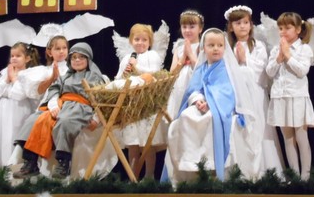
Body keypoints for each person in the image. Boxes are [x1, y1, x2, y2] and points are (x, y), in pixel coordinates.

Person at [165, 28, 263, 185]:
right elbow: (193, 89)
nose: (216, 49)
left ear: (224, 47)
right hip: (201, 105)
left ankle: (211, 164)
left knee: (210, 119)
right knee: (186, 116)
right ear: (204, 48)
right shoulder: (201, 68)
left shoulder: (227, 69)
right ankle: (192, 163)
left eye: (219, 45)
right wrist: (198, 100)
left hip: (220, 108)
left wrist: (210, 104)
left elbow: (228, 93)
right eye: (211, 45)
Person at [24, 42, 105, 179]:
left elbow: (102, 99)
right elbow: (54, 90)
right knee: (34, 119)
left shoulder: (95, 77)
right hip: (62, 105)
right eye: (74, 57)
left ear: (88, 59)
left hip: (81, 107)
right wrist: (54, 106)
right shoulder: (65, 77)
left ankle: (63, 162)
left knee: (65, 121)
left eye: (81, 57)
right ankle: (30, 161)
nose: (77, 60)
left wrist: (96, 118)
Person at [226, 5, 283, 176]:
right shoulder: (228, 47)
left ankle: (266, 170)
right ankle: (242, 170)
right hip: (237, 94)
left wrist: (245, 60)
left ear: (251, 25)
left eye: (245, 22)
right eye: (238, 23)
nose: (242, 26)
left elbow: (262, 71)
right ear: (231, 27)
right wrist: (236, 62)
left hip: (256, 94)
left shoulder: (258, 45)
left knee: (259, 128)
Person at [266, 12, 314, 180]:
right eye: (280, 28)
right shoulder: (276, 49)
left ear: (298, 29)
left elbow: (302, 71)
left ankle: (305, 177)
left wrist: (288, 56)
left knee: (301, 138)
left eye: (287, 28)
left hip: (297, 97)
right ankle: (294, 176)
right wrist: (279, 58)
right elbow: (269, 72)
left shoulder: (304, 49)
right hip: (280, 97)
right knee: (288, 138)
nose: (283, 32)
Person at [12, 35, 69, 178]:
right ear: (50, 52)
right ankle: (30, 163)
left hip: (65, 104)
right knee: (31, 121)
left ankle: (62, 164)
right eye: (57, 48)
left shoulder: (71, 69)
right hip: (47, 104)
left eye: (64, 48)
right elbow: (38, 92)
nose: (61, 51)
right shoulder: (44, 71)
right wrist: (52, 77)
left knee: (50, 120)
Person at [114, 24, 163, 179]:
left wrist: (137, 67)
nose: (140, 43)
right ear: (131, 41)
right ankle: (133, 177)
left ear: (150, 42)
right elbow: (118, 78)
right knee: (132, 143)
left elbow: (154, 74)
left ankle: (149, 176)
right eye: (137, 39)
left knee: (146, 143)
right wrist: (125, 73)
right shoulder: (127, 58)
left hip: (146, 105)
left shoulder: (152, 55)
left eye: (144, 40)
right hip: (131, 106)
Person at [0, 42, 41, 179]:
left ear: (27, 58)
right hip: (4, 112)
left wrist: (14, 79)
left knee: (15, 140)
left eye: (18, 56)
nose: (14, 58)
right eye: (12, 56)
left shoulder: (29, 74)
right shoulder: (6, 72)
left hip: (20, 111)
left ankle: (14, 178)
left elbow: (20, 94)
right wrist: (7, 79)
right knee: (3, 140)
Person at [166, 10, 204, 121]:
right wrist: (183, 58)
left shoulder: (203, 47)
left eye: (192, 27)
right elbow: (172, 72)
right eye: (184, 27)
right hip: (179, 85)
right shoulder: (178, 48)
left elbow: (202, 69)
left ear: (200, 29)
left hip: (195, 83)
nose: (187, 30)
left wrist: (191, 54)